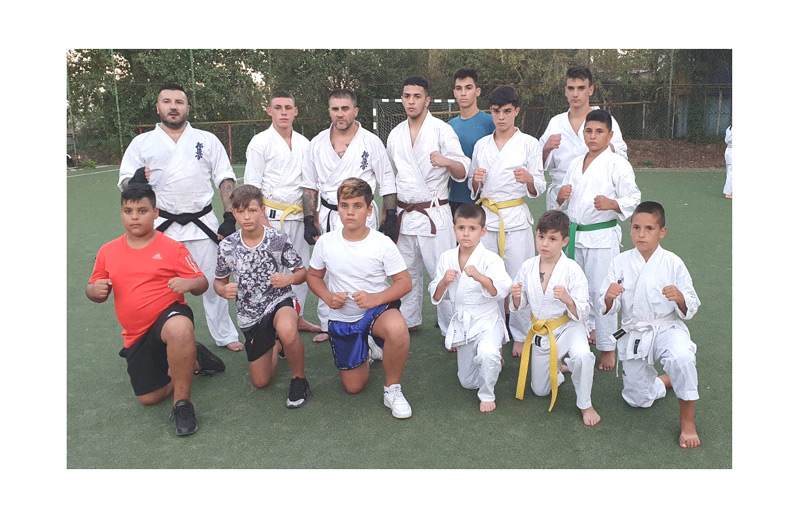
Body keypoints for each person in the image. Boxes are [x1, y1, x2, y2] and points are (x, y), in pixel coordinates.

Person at [86, 184, 226, 436]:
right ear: (121, 213)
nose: (134, 217)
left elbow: (201, 283)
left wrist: (189, 284)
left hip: (168, 317)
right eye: (128, 211)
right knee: (149, 398)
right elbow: (92, 288)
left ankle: (183, 404)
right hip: (136, 334)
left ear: (155, 213)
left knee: (180, 328)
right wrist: (94, 291)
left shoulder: (172, 248)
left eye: (142, 211)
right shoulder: (108, 251)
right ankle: (192, 359)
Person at [118, 82, 244, 352]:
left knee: (214, 282)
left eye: (179, 102)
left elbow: (225, 177)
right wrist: (136, 180)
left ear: (187, 107)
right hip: (162, 226)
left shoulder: (206, 140)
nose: (173, 107)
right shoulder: (142, 143)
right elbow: (126, 182)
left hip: (202, 223)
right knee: (158, 287)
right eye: (167, 102)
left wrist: (229, 216)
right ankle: (157, 337)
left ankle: (224, 334)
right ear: (158, 107)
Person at [306, 178, 414, 419]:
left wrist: (375, 298)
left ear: (369, 210)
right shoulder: (326, 242)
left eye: (357, 206)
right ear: (338, 208)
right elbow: (313, 276)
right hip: (344, 317)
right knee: (353, 387)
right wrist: (328, 296)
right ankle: (368, 347)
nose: (350, 212)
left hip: (376, 312)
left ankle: (392, 389)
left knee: (397, 328)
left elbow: (405, 282)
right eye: (344, 206)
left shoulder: (382, 243)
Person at [600, 201, 701, 448]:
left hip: (666, 327)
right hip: (635, 329)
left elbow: (692, 303)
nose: (641, 234)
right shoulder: (619, 262)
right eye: (636, 228)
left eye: (649, 229)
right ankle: (664, 381)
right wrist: (609, 297)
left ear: (662, 232)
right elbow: (608, 305)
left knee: (682, 358)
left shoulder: (673, 262)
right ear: (630, 229)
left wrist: (680, 298)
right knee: (637, 400)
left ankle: (688, 423)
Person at [300, 89, 398, 342]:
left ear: (355, 111)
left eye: (345, 109)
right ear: (329, 111)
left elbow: (387, 181)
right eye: (335, 109)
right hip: (329, 213)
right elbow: (309, 185)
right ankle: (329, 324)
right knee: (328, 269)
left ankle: (370, 323)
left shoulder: (371, 142)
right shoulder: (317, 143)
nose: (340, 114)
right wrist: (309, 219)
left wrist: (391, 215)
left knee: (365, 267)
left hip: (362, 214)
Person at [556, 109, 641, 370]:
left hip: (602, 236)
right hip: (575, 235)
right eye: (589, 131)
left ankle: (607, 347)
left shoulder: (618, 164)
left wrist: (612, 203)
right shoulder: (575, 163)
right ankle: (576, 341)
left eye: (599, 132)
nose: (593, 136)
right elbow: (562, 202)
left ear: (610, 135)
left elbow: (634, 197)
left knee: (602, 291)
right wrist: (560, 196)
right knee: (574, 290)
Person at [386, 76, 471, 334]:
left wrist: (447, 161)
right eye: (407, 96)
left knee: (444, 272)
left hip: (434, 213)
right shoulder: (395, 134)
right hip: (404, 213)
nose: (411, 101)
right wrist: (389, 215)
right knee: (405, 273)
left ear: (427, 100)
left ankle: (451, 327)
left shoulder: (442, 130)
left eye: (417, 96)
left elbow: (462, 170)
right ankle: (408, 320)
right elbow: (390, 178)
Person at [214, 185, 311, 407]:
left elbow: (301, 273)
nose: (247, 217)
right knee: (261, 381)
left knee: (287, 328)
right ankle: (275, 345)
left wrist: (288, 279)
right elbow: (219, 281)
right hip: (249, 314)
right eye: (240, 211)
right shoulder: (227, 246)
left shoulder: (278, 239)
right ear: (234, 213)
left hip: (279, 301)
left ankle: (299, 379)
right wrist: (223, 290)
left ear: (262, 211)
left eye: (252, 210)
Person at [469, 85, 545, 355]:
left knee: (519, 279)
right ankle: (493, 335)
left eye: (506, 111)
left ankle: (521, 334)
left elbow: (540, 185)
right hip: (488, 218)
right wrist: (476, 181)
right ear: (491, 112)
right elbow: (473, 187)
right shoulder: (482, 145)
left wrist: (529, 180)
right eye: (496, 111)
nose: (501, 117)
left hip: (516, 218)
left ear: (516, 111)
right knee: (489, 278)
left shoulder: (529, 144)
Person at [509, 210, 600, 426]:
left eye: (552, 239)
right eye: (541, 237)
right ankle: (558, 367)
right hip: (542, 332)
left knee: (583, 356)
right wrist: (516, 297)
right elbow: (521, 305)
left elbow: (583, 310)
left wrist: (568, 300)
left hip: (569, 327)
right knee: (540, 391)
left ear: (564, 241)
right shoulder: (528, 267)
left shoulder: (572, 270)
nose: (545, 244)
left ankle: (585, 404)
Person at [244, 90, 321, 336]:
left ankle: (297, 316)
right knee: (272, 271)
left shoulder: (305, 143)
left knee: (300, 267)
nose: (283, 112)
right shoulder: (260, 142)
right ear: (270, 111)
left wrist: (310, 219)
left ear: (295, 112)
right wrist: (261, 222)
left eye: (288, 108)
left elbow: (309, 184)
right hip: (271, 217)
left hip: (298, 216)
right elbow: (252, 186)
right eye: (278, 108)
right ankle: (269, 321)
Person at [429, 204, 511, 413]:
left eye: (472, 228)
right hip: (464, 322)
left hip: (487, 319)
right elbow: (436, 295)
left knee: (487, 354)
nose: (466, 234)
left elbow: (501, 290)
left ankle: (488, 392)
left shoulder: (491, 259)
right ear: (454, 229)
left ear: (483, 231)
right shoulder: (447, 257)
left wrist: (480, 277)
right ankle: (491, 357)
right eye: (461, 228)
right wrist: (444, 282)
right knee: (467, 382)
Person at [540, 67, 628, 211]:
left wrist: (607, 147)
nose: (575, 94)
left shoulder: (605, 120)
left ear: (590, 90)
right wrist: (546, 149)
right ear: (565, 91)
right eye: (571, 88)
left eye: (581, 88)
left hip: (594, 195)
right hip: (561, 195)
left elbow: (622, 158)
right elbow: (539, 165)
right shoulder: (556, 123)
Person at [447, 68, 495, 217]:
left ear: (477, 91)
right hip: (454, 199)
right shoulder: (447, 127)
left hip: (484, 201)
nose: (463, 93)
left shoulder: (490, 123)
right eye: (458, 88)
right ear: (454, 93)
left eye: (468, 88)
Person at [723, 125, 732, 199]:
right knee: (731, 173)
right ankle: (728, 193)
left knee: (730, 172)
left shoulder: (729, 128)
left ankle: (729, 191)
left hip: (729, 151)